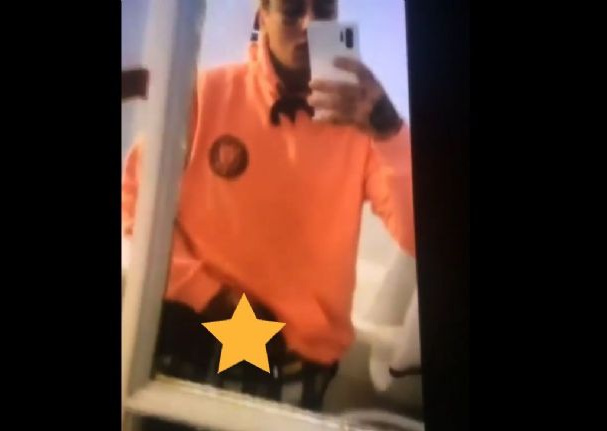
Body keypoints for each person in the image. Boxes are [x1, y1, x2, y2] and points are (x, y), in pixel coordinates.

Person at [122, 0, 414, 411]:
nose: (309, 25)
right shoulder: (205, 93)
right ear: (263, 14)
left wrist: (390, 130)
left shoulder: (364, 125)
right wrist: (208, 296)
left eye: (323, 11)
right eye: (293, 11)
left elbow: (418, 238)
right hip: (190, 330)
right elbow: (136, 201)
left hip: (296, 359)